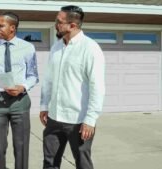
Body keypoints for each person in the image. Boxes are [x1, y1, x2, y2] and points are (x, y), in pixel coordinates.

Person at [40, 5, 105, 169]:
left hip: (78, 120)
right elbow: (48, 80)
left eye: (59, 22)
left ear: (73, 25)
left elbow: (97, 86)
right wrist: (44, 105)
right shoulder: (56, 47)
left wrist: (90, 119)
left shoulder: (90, 48)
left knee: (83, 164)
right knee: (49, 163)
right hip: (54, 118)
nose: (56, 24)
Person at [0, 12, 39, 169]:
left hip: (20, 102)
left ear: (12, 27)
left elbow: (33, 76)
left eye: (1, 25)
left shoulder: (28, 48)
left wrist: (23, 87)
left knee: (21, 146)